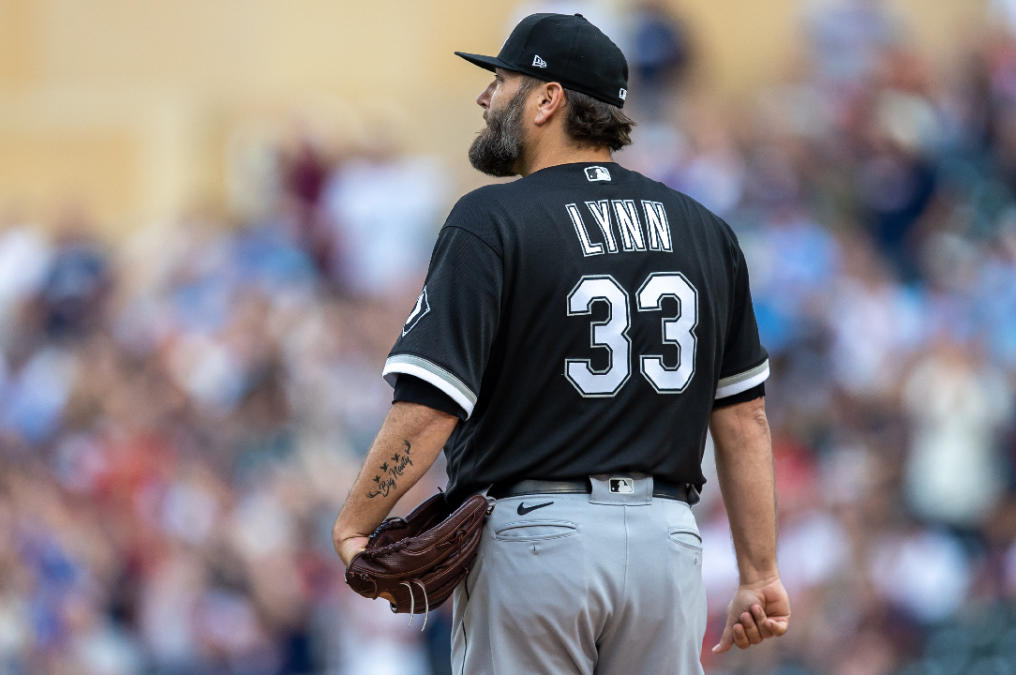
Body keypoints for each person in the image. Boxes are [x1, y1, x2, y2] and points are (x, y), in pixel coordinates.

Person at [333, 12, 790, 673]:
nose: (486, 98)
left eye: (503, 81)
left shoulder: (491, 218)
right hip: (667, 544)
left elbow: (431, 403)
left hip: (538, 538)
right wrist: (760, 570)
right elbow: (745, 416)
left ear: (548, 99)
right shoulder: (704, 229)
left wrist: (355, 522)